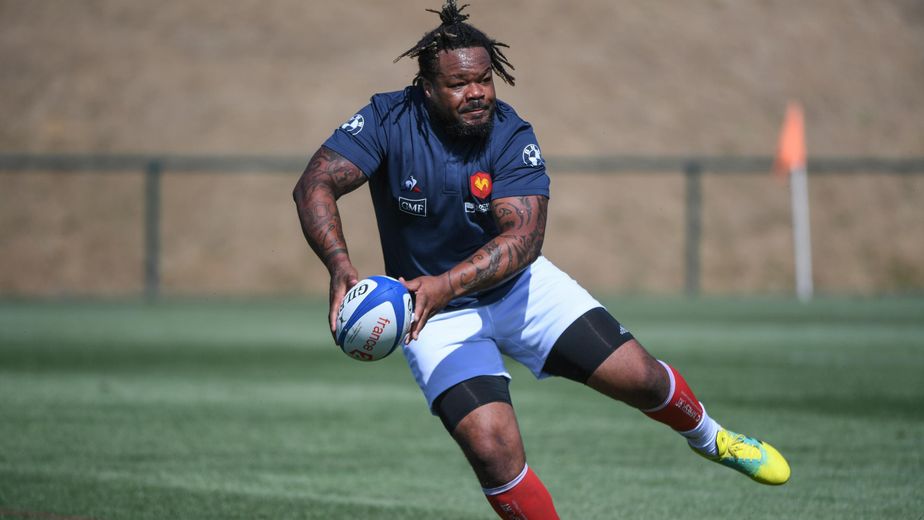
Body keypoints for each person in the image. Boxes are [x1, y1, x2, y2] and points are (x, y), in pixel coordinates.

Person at [293, 2, 790, 518]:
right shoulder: (386, 119)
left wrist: (445, 283)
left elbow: (524, 239)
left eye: (485, 79)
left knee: (640, 377)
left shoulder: (510, 134)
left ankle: (714, 440)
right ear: (426, 88)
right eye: (461, 84)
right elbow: (316, 183)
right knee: (492, 449)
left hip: (518, 290)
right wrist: (341, 269)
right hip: (431, 314)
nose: (477, 93)